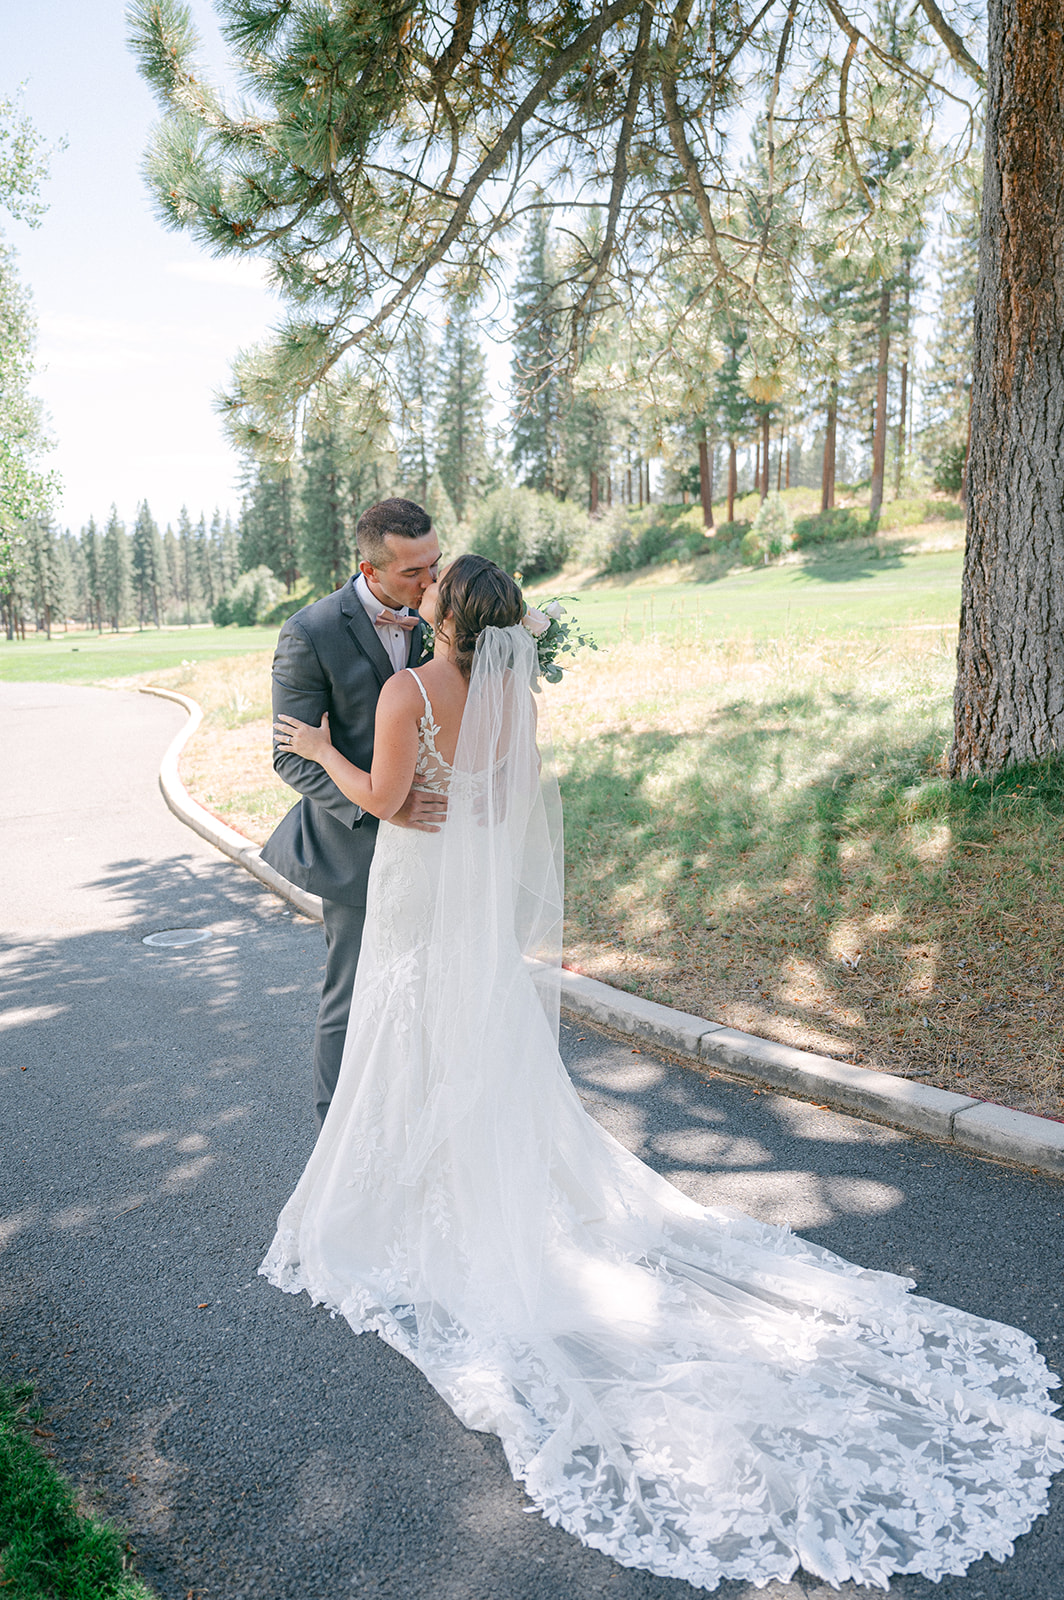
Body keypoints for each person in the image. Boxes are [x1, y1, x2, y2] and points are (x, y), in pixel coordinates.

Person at [263, 554, 1064, 1593]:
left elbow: (380, 794)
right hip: (467, 906)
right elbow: (500, 808)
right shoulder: (513, 696)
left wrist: (323, 743)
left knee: (409, 1036)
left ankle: (422, 1192)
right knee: (471, 1039)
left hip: (418, 896)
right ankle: (461, 1178)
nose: (417, 596)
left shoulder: (410, 689)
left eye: (430, 588)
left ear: (446, 616)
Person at [261, 498, 443, 1127]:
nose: (430, 583)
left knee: (428, 986)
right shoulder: (309, 632)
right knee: (352, 992)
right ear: (369, 571)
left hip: (439, 841)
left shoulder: (443, 617)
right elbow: (293, 758)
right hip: (354, 844)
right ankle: (336, 1140)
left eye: (435, 565)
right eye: (412, 573)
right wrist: (382, 810)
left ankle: (413, 1116)